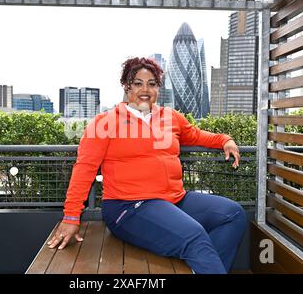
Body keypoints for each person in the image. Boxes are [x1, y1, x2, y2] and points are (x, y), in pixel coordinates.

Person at [48, 57, 246, 274]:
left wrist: (224, 140)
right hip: (128, 207)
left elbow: (195, 135)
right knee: (194, 236)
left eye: (151, 84)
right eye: (138, 83)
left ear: (158, 88)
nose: (145, 89)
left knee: (233, 214)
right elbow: (84, 169)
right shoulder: (104, 122)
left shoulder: (170, 117)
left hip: (174, 200)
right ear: (127, 86)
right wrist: (70, 216)